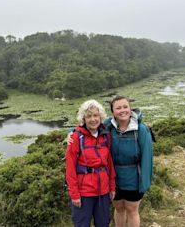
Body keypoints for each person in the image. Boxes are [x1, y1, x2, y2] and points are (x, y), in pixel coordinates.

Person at [65, 99, 116, 227]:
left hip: (103, 190)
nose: (93, 119)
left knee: (103, 223)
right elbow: (70, 168)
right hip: (84, 192)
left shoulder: (105, 135)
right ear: (83, 118)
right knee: (82, 224)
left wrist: (112, 186)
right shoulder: (76, 138)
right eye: (89, 116)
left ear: (100, 117)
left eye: (95, 115)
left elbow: (109, 163)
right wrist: (74, 194)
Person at [104, 95, 153, 227]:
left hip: (134, 178)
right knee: (119, 209)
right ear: (113, 111)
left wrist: (144, 182)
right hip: (114, 178)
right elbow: (88, 127)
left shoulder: (141, 129)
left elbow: (147, 158)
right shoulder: (108, 126)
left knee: (132, 211)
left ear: (130, 109)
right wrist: (71, 133)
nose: (122, 110)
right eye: (118, 108)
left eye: (125, 107)